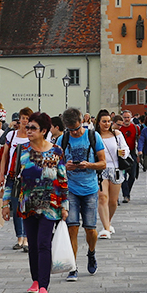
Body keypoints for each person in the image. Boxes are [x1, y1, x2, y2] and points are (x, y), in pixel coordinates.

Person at [15, 111, 67, 293]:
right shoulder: (22, 151)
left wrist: (65, 205)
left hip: (50, 204)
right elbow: (14, 179)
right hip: (27, 204)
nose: (28, 130)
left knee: (44, 243)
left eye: (32, 128)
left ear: (44, 131)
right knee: (34, 244)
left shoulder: (56, 151)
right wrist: (5, 203)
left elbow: (62, 179)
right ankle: (35, 280)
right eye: (27, 127)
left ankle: (44, 286)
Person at [56, 108, 104, 280]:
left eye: (76, 129)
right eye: (70, 130)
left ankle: (91, 252)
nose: (74, 133)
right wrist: (64, 166)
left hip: (90, 188)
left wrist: (88, 165)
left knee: (90, 229)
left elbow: (103, 163)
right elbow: (56, 164)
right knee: (72, 228)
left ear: (81, 122)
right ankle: (73, 266)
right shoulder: (63, 139)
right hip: (70, 190)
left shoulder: (93, 136)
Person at [0, 107, 33, 251]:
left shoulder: (32, 136)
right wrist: (1, 174)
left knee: (28, 207)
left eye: (27, 118)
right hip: (13, 176)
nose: (25, 121)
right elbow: (5, 156)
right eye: (23, 118)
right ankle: (20, 237)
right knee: (16, 207)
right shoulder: (11, 135)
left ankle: (27, 238)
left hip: (28, 177)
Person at [94, 110, 125, 237]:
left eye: (108, 121)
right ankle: (106, 228)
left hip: (115, 168)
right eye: (104, 121)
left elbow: (126, 149)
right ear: (99, 122)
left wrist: (123, 152)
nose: (107, 124)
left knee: (113, 201)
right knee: (103, 197)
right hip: (101, 169)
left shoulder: (117, 134)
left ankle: (108, 222)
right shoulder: (94, 135)